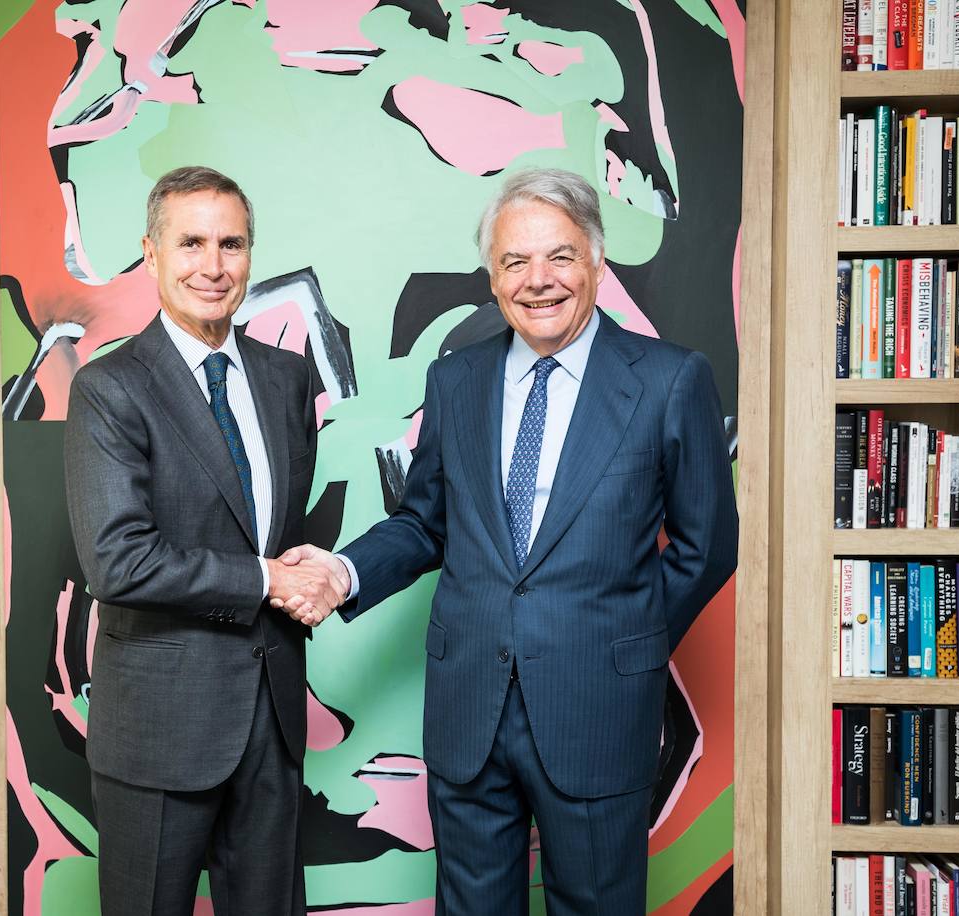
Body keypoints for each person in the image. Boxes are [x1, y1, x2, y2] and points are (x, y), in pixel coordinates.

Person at [279, 167, 738, 913]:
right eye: (514, 261)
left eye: (560, 256)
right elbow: (424, 521)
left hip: (597, 709)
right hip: (470, 709)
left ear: (596, 261)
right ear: (493, 277)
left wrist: (626, 637)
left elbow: (706, 544)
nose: (538, 280)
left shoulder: (669, 380)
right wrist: (341, 571)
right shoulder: (455, 380)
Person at [64, 166, 342, 916]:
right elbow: (118, 562)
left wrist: (310, 576)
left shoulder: (288, 379)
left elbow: (277, 527)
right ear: (151, 254)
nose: (213, 266)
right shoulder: (110, 387)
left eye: (231, 244)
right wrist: (268, 580)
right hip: (160, 727)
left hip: (272, 719)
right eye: (191, 243)